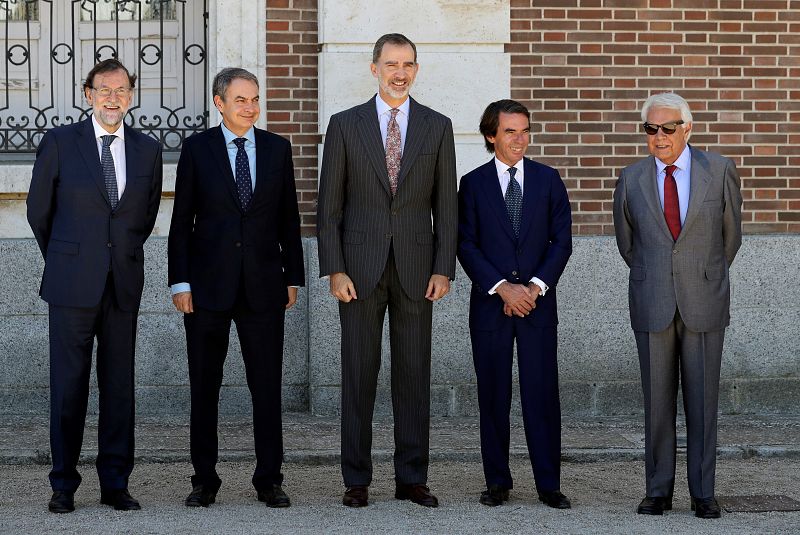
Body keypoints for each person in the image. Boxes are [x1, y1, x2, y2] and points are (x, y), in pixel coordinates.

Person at [316, 33, 457, 508]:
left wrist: (444, 267)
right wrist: (334, 269)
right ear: (373, 67)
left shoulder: (437, 127)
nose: (400, 72)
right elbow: (329, 207)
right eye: (392, 63)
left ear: (416, 69)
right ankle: (356, 479)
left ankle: (412, 477)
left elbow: (447, 208)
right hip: (358, 269)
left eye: (409, 64)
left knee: (413, 376)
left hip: (419, 270)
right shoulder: (344, 125)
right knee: (358, 374)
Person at [27, 59, 163, 513]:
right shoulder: (61, 142)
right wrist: (70, 259)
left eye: (121, 90)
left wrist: (113, 257)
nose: (112, 98)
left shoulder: (147, 150)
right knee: (69, 387)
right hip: (71, 286)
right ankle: (63, 484)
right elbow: (38, 212)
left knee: (119, 387)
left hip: (122, 284)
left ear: (131, 96)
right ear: (88, 94)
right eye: (103, 89)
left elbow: (142, 219)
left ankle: (115, 483)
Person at [168, 68, 304, 508]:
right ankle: (204, 480)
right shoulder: (197, 150)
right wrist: (180, 281)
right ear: (219, 102)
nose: (250, 107)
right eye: (241, 99)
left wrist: (293, 275)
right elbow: (181, 223)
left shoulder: (277, 149)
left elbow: (289, 219)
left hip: (264, 287)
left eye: (255, 99)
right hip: (207, 289)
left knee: (266, 387)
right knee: (204, 386)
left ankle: (269, 480)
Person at [613, 92, 743, 519]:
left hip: (704, 300)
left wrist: (700, 274)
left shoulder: (719, 169)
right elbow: (627, 244)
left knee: (703, 402)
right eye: (652, 129)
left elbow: (730, 239)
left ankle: (703, 492)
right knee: (657, 402)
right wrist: (662, 277)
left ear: (688, 128)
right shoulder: (631, 178)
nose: (660, 136)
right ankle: (658, 491)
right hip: (652, 301)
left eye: (669, 127)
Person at [457, 99, 573, 509]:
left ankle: (548, 484)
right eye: (510, 131)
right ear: (491, 135)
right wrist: (502, 287)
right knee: (493, 395)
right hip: (491, 306)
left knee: (541, 393)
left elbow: (562, 240)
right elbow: (465, 244)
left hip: (538, 306)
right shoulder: (472, 184)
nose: (520, 139)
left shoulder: (548, 179)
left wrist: (534, 288)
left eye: (525, 130)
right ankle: (497, 482)